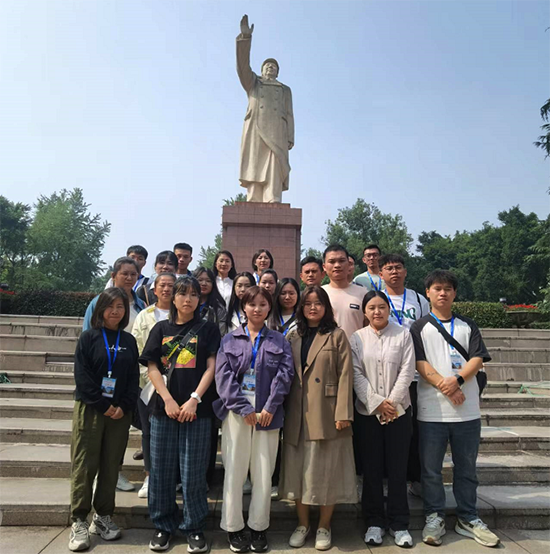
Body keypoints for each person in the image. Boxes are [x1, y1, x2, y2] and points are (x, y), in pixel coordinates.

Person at [410, 270, 499, 548]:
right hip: (431, 412)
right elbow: (420, 363)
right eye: (437, 288)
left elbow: (477, 358)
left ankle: (468, 518)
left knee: (466, 469)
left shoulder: (468, 325)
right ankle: (434, 516)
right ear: (427, 293)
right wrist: (444, 385)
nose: (442, 293)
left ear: (455, 293)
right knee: (431, 471)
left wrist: (457, 380)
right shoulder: (418, 327)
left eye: (448, 288)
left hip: (467, 411)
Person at [140, 277, 221, 553]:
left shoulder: (208, 329)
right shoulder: (160, 329)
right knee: (161, 472)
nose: (188, 299)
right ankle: (163, 525)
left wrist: (194, 400)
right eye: (183, 293)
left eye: (194, 294)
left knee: (193, 472)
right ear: (173, 298)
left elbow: (212, 367)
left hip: (197, 411)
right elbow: (152, 366)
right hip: (164, 410)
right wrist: (168, 400)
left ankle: (194, 527)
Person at [214, 286, 294, 553]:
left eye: (262, 304)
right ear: (243, 307)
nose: (257, 309)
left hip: (268, 414)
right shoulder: (230, 340)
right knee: (234, 471)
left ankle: (259, 527)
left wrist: (270, 406)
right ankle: (234, 527)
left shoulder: (279, 340)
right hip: (237, 415)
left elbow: (285, 375)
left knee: (263, 473)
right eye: (252, 304)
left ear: (269, 307)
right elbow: (223, 377)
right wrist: (242, 408)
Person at [281, 286, 356, 551]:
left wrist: (343, 413)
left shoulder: (337, 335)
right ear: (301, 307)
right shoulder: (292, 336)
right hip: (296, 412)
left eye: (318, 303)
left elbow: (346, 375)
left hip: (327, 412)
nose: (313, 308)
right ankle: (303, 524)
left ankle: (324, 525)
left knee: (327, 471)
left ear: (326, 307)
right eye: (308, 303)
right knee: (297, 472)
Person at [68, 288, 139, 552]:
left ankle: (103, 516)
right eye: (110, 306)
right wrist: (103, 405)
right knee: (84, 465)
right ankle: (79, 520)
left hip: (120, 413)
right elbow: (82, 377)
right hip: (91, 410)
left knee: (111, 466)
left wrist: (123, 406)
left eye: (120, 307)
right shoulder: (89, 337)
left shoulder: (128, 341)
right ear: (100, 310)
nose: (115, 311)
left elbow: (133, 378)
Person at [350, 291, 415, 548]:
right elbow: (355, 373)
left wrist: (392, 402)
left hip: (399, 413)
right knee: (372, 470)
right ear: (364, 312)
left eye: (381, 307)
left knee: (398, 470)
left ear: (389, 309)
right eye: (372, 308)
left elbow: (407, 370)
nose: (377, 312)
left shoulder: (403, 335)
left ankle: (400, 524)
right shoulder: (357, 338)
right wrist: (377, 403)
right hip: (368, 414)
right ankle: (374, 522)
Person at [379, 253, 430, 497]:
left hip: (415, 376)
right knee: (386, 428)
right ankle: (386, 479)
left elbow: (428, 331)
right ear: (381, 274)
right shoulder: (377, 299)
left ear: (406, 271)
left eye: (398, 267)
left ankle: (415, 478)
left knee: (415, 429)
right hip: (385, 375)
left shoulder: (419, 300)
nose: (394, 272)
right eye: (389, 268)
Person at [236, 15, 295, 203]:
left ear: (277, 72)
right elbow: (242, 68)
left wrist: (290, 136)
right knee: (255, 161)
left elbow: (289, 114)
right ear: (261, 70)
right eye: (267, 66)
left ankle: (272, 195)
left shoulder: (285, 89)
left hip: (278, 130)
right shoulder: (254, 83)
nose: (271, 68)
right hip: (256, 126)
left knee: (274, 162)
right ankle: (254, 196)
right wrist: (245, 38)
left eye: (274, 66)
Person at [131, 272, 176, 499]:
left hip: (178, 385)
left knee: (175, 432)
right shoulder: (144, 316)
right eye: (162, 285)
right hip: (148, 383)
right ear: (154, 290)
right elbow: (137, 348)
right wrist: (152, 378)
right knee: (149, 432)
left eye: (171, 285)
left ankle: (173, 477)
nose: (166, 289)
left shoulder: (184, 315)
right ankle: (149, 476)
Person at [84, 257, 146, 335]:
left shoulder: (141, 305)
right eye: (125, 274)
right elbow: (87, 332)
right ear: (113, 276)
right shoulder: (99, 301)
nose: (129, 278)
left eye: (133, 274)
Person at [321, 245, 366, 339]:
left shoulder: (363, 293)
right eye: (332, 262)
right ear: (324, 267)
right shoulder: (319, 293)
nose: (337, 265)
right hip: (326, 347)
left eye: (341, 261)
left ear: (349, 264)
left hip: (356, 347)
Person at [194, 266, 228, 336]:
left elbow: (222, 333)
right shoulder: (186, 303)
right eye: (200, 280)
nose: (204, 283)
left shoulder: (218, 308)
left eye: (208, 281)